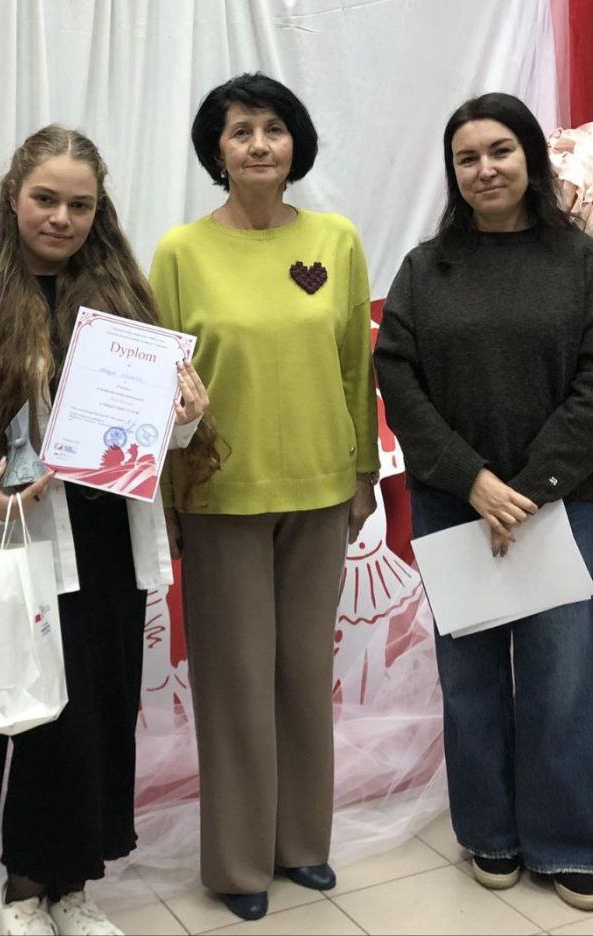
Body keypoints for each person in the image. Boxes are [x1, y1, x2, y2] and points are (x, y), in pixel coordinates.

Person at [0, 125, 213, 936]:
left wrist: (183, 417)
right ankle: (17, 889)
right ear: (12, 197)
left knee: (100, 721)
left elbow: (153, 437)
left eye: (80, 205)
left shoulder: (121, 303)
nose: (62, 218)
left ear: (98, 211)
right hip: (15, 546)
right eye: (45, 199)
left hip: (107, 543)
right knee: (39, 723)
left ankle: (69, 885)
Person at [374, 92, 593, 912]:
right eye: (467, 157)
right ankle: (489, 832)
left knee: (560, 681)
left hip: (560, 505)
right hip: (456, 503)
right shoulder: (426, 268)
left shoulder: (579, 262)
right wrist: (474, 479)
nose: (485, 169)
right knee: (471, 679)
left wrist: (532, 487)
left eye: (500, 151)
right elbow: (397, 378)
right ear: (453, 172)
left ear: (530, 160)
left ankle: (566, 841)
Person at [148, 73, 379, 922]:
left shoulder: (337, 239)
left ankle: (302, 844)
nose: (258, 144)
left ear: (295, 145)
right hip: (219, 494)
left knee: (302, 675)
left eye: (273, 128)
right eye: (240, 130)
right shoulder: (179, 252)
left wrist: (362, 472)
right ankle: (240, 861)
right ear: (217, 150)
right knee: (236, 683)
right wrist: (167, 496)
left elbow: (355, 364)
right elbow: (163, 386)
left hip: (322, 488)